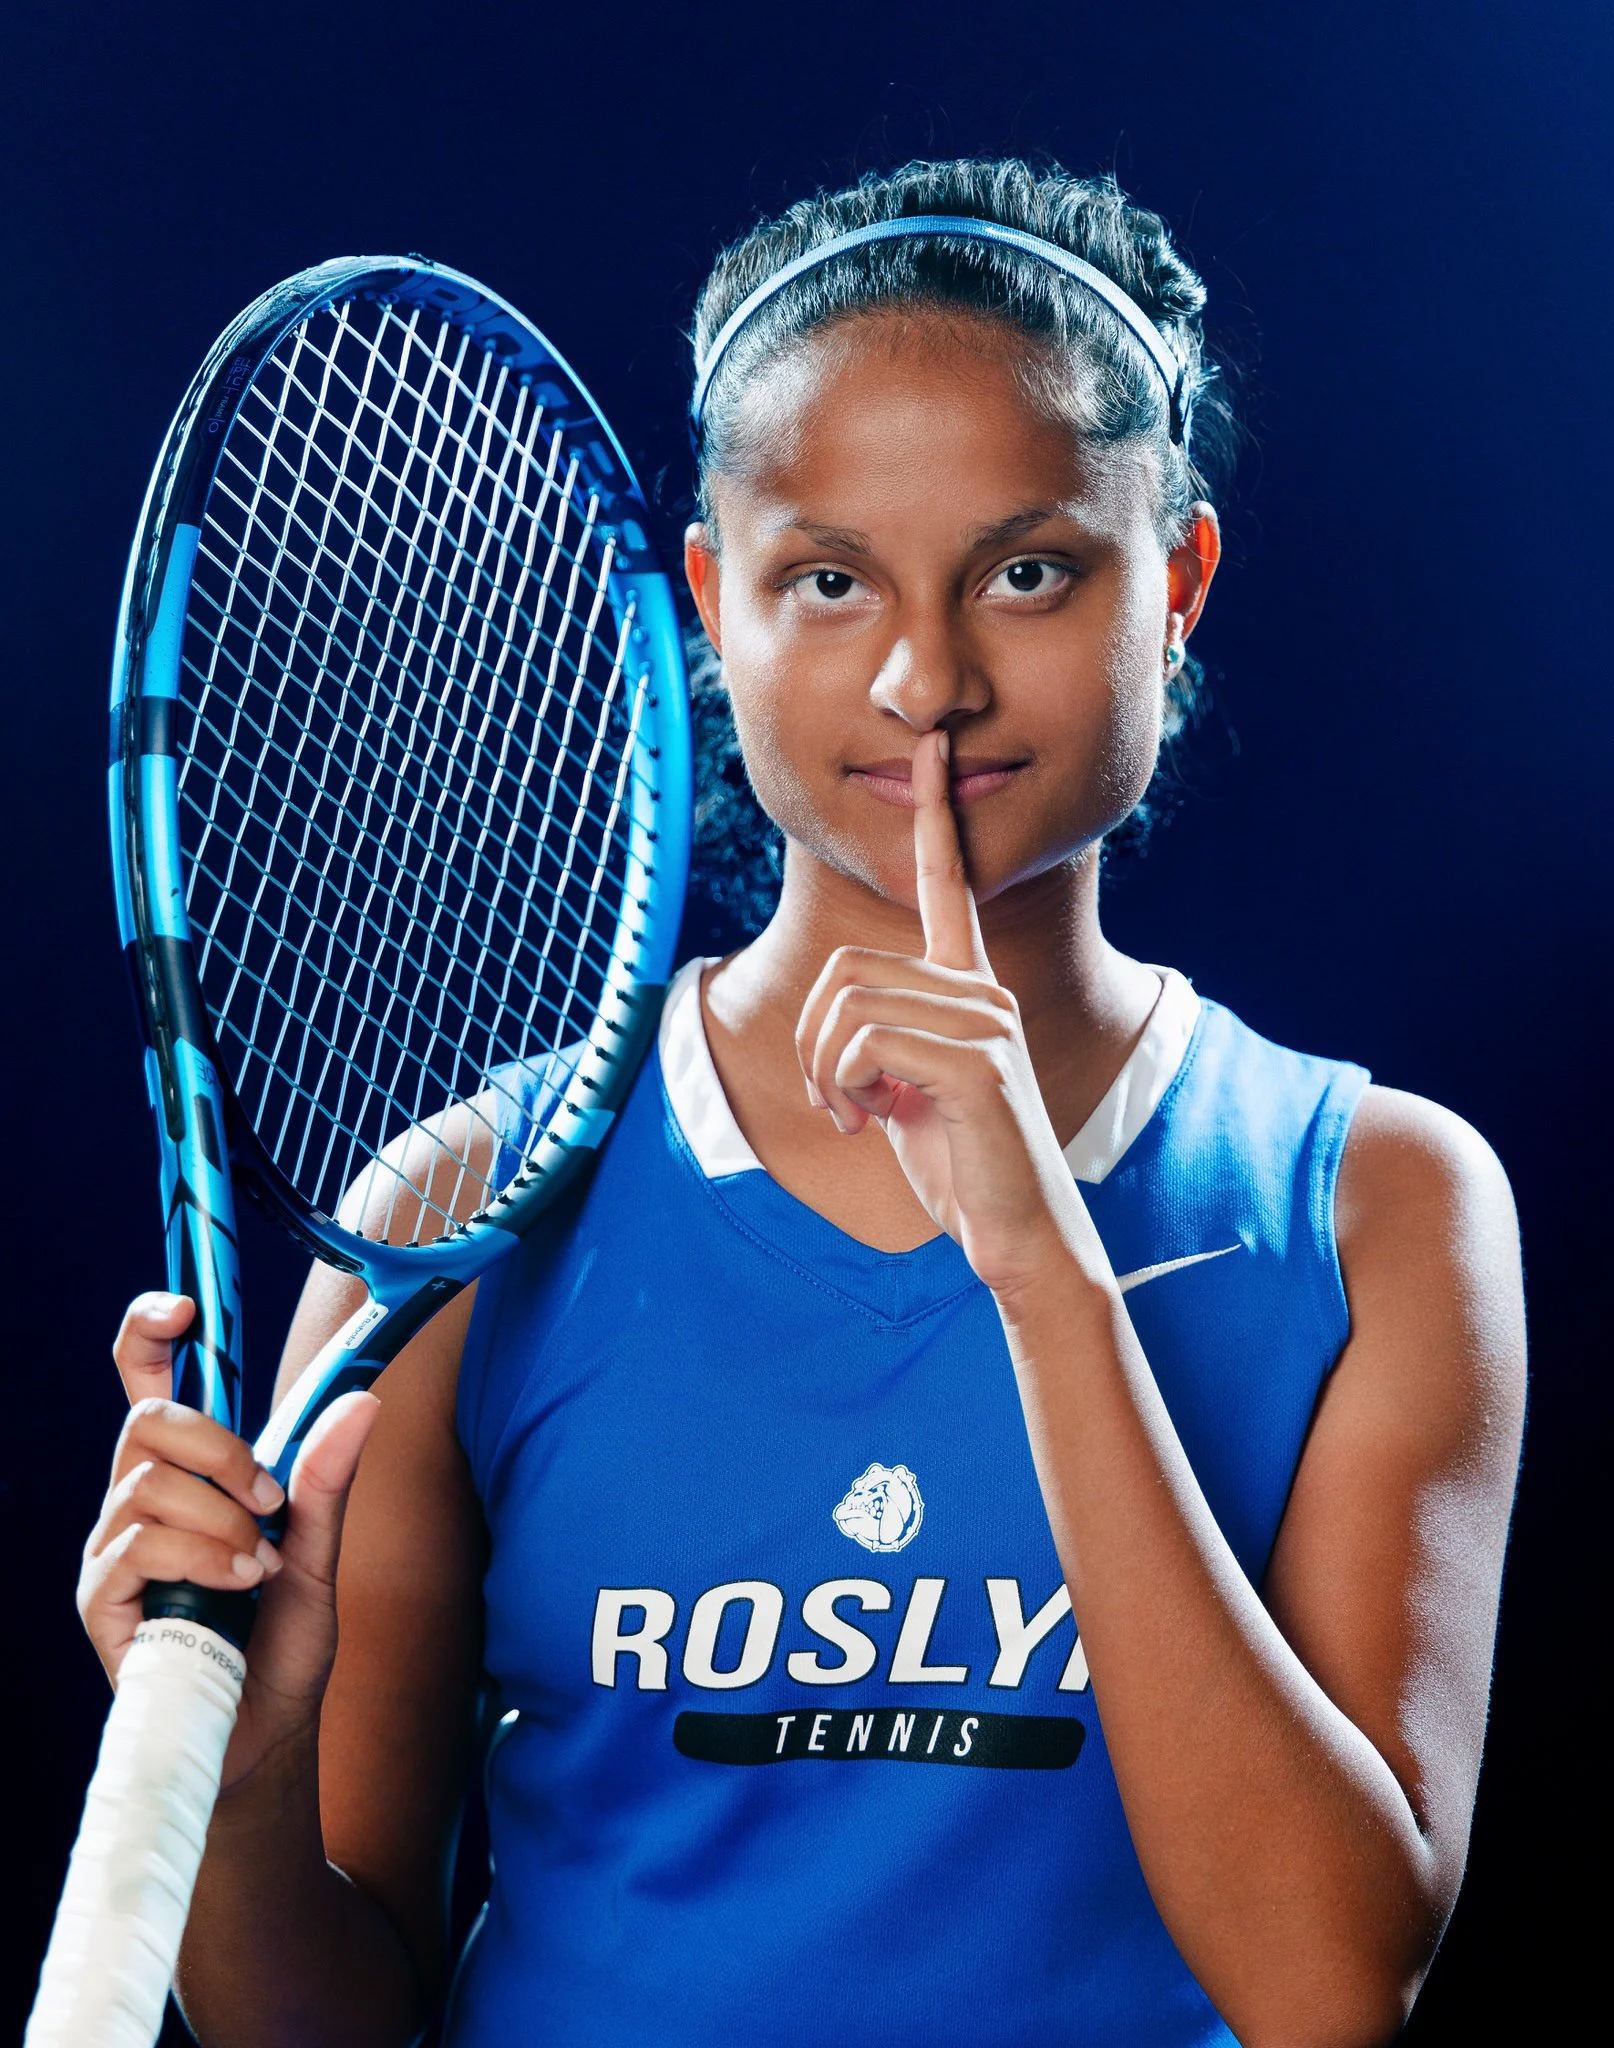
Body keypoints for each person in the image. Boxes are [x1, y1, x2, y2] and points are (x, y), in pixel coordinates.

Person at [77, 159, 1526, 2048]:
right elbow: (331, 2023)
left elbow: (1329, 1987)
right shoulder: (459, 1214)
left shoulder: (1372, 1205)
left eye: (1029, 569)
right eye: (827, 581)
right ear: (713, 600)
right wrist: (242, 1790)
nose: (925, 679)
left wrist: (1044, 1281)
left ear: (1171, 577)